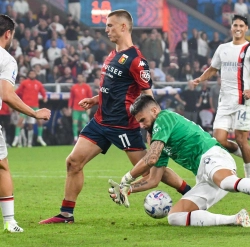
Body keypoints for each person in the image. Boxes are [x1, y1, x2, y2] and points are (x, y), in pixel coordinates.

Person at [39, 9, 191, 224]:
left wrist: (153, 128)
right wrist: (95, 99)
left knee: (151, 170)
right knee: (73, 162)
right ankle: (66, 214)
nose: (106, 29)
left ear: (123, 27)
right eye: (106, 25)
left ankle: (189, 191)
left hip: (124, 126)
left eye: (110, 25)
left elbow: (148, 97)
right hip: (100, 122)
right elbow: (112, 89)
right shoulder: (112, 55)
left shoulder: (137, 60)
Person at [109, 95, 250, 228]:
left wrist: (126, 177)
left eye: (142, 120)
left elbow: (150, 158)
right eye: (139, 123)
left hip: (212, 156)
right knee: (175, 217)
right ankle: (236, 219)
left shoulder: (164, 118)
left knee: (226, 182)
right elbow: (153, 179)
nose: (141, 126)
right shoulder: (157, 136)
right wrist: (129, 189)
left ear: (154, 110)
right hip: (204, 174)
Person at [192, 15, 250, 179]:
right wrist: (200, 78)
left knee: (241, 139)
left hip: (243, 101)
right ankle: (247, 154)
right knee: (218, 139)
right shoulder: (222, 48)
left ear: (246, 28)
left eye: (241, 25)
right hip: (224, 102)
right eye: (235, 25)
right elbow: (213, 69)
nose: (238, 28)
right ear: (231, 27)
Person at [0, 14, 51, 232]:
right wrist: (35, 113)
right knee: (2, 167)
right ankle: (10, 221)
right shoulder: (6, 59)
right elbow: (7, 94)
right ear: (8, 34)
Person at [11, 70, 48, 147]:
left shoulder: (38, 84)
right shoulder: (24, 83)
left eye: (33, 73)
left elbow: (43, 92)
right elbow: (17, 92)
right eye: (31, 73)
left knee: (39, 122)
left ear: (35, 74)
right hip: (25, 106)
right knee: (20, 121)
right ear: (28, 75)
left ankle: (39, 137)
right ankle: (16, 138)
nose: (32, 74)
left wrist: (45, 97)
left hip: (35, 106)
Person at [68, 74, 93, 144]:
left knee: (83, 124)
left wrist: (89, 108)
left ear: (83, 78)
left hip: (84, 109)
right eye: (78, 77)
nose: (79, 78)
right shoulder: (74, 87)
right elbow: (71, 98)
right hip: (75, 108)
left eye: (80, 77)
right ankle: (75, 138)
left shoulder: (87, 87)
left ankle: (83, 138)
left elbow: (90, 98)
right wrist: (69, 107)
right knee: (74, 123)